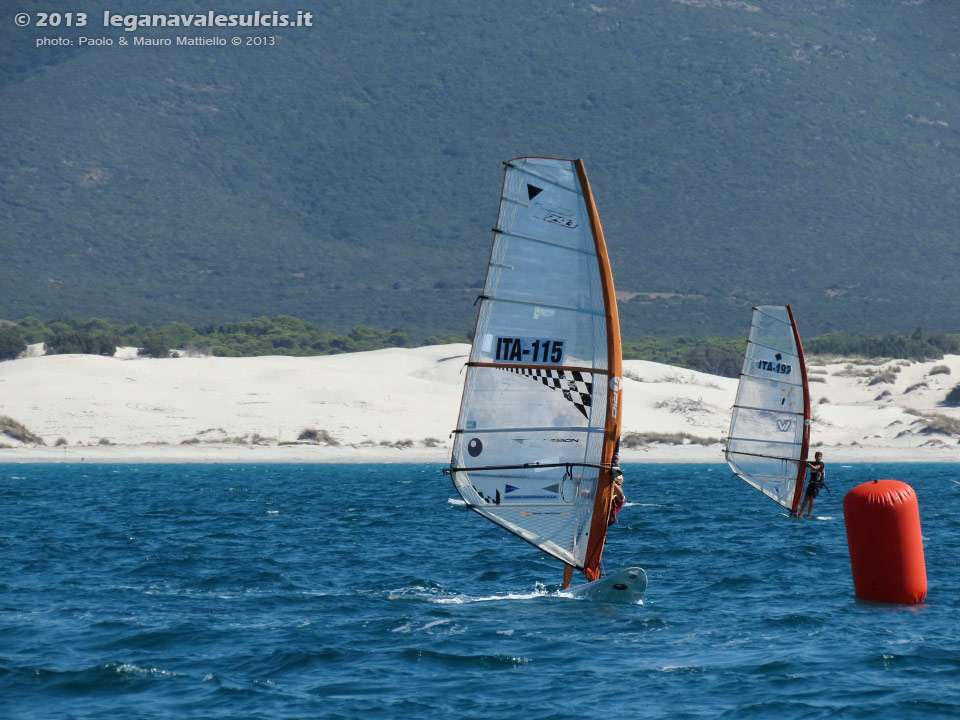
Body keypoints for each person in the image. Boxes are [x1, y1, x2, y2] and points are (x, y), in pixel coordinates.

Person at [796, 451, 826, 518]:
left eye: (820, 456)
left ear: (821, 457)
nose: (818, 457)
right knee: (806, 498)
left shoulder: (821, 464)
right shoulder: (812, 463)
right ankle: (800, 515)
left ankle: (809, 515)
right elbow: (803, 464)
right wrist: (803, 461)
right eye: (817, 456)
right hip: (811, 483)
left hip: (818, 484)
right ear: (815, 457)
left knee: (811, 498)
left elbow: (814, 468)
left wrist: (808, 463)